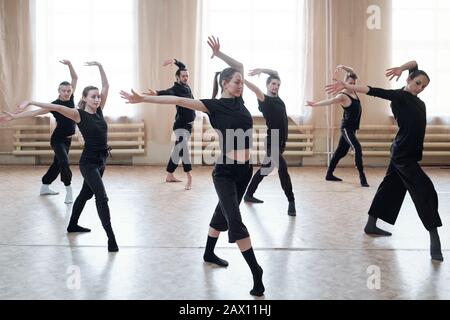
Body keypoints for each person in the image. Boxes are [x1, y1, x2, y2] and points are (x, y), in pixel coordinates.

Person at [120, 36, 265, 296]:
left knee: (222, 212)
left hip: (245, 171)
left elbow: (240, 65)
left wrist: (220, 54)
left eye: (241, 82)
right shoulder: (212, 106)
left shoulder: (240, 102)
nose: (240, 85)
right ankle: (257, 272)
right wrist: (143, 98)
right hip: (224, 172)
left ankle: (209, 253)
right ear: (224, 84)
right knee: (234, 219)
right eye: (236, 82)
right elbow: (175, 101)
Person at [325, 60, 443, 261]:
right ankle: (434, 237)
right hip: (402, 155)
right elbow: (373, 90)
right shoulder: (400, 96)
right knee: (425, 189)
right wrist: (348, 86)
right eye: (418, 83)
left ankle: (371, 224)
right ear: (409, 81)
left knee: (390, 187)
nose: (420, 88)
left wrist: (402, 68)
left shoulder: (417, 100)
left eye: (424, 86)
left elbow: (415, 63)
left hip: (408, 153)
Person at [16, 62, 119, 252]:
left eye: (98, 97)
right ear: (85, 99)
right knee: (101, 197)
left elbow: (106, 86)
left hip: (101, 160)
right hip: (88, 162)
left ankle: (72, 225)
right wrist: (31, 101)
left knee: (85, 194)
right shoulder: (77, 114)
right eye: (93, 97)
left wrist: (100, 66)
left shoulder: (100, 111)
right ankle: (111, 238)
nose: (97, 99)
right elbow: (52, 107)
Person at [0, 60, 78, 203]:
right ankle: (69, 189)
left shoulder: (71, 99)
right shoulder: (54, 105)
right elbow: (33, 113)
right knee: (64, 161)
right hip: (58, 139)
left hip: (68, 139)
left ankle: (45, 186)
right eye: (64, 91)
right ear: (59, 91)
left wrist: (69, 65)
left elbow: (75, 78)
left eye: (69, 90)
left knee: (57, 164)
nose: (67, 93)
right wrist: (13, 117)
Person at [243, 68, 297, 216]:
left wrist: (262, 69)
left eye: (278, 85)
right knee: (283, 168)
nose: (275, 87)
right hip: (271, 140)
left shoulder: (278, 99)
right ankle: (291, 201)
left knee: (265, 169)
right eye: (273, 84)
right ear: (267, 85)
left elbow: (275, 71)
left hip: (281, 142)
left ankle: (248, 194)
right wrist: (242, 78)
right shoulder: (265, 101)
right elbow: (255, 89)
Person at [306, 65, 369, 187]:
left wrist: (342, 67)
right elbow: (329, 101)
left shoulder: (354, 91)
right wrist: (315, 104)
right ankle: (362, 177)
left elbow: (353, 72)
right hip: (346, 128)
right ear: (345, 83)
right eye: (350, 83)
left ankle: (329, 174)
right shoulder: (343, 95)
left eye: (353, 83)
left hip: (352, 128)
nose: (352, 85)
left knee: (341, 152)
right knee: (357, 148)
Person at [144, 58, 195, 190]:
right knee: (183, 149)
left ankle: (169, 175)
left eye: (187, 76)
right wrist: (156, 93)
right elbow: (167, 93)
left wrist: (174, 61)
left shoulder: (186, 86)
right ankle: (189, 176)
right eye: (183, 76)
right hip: (180, 125)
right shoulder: (176, 89)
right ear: (178, 77)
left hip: (189, 125)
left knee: (178, 150)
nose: (185, 78)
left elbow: (183, 66)